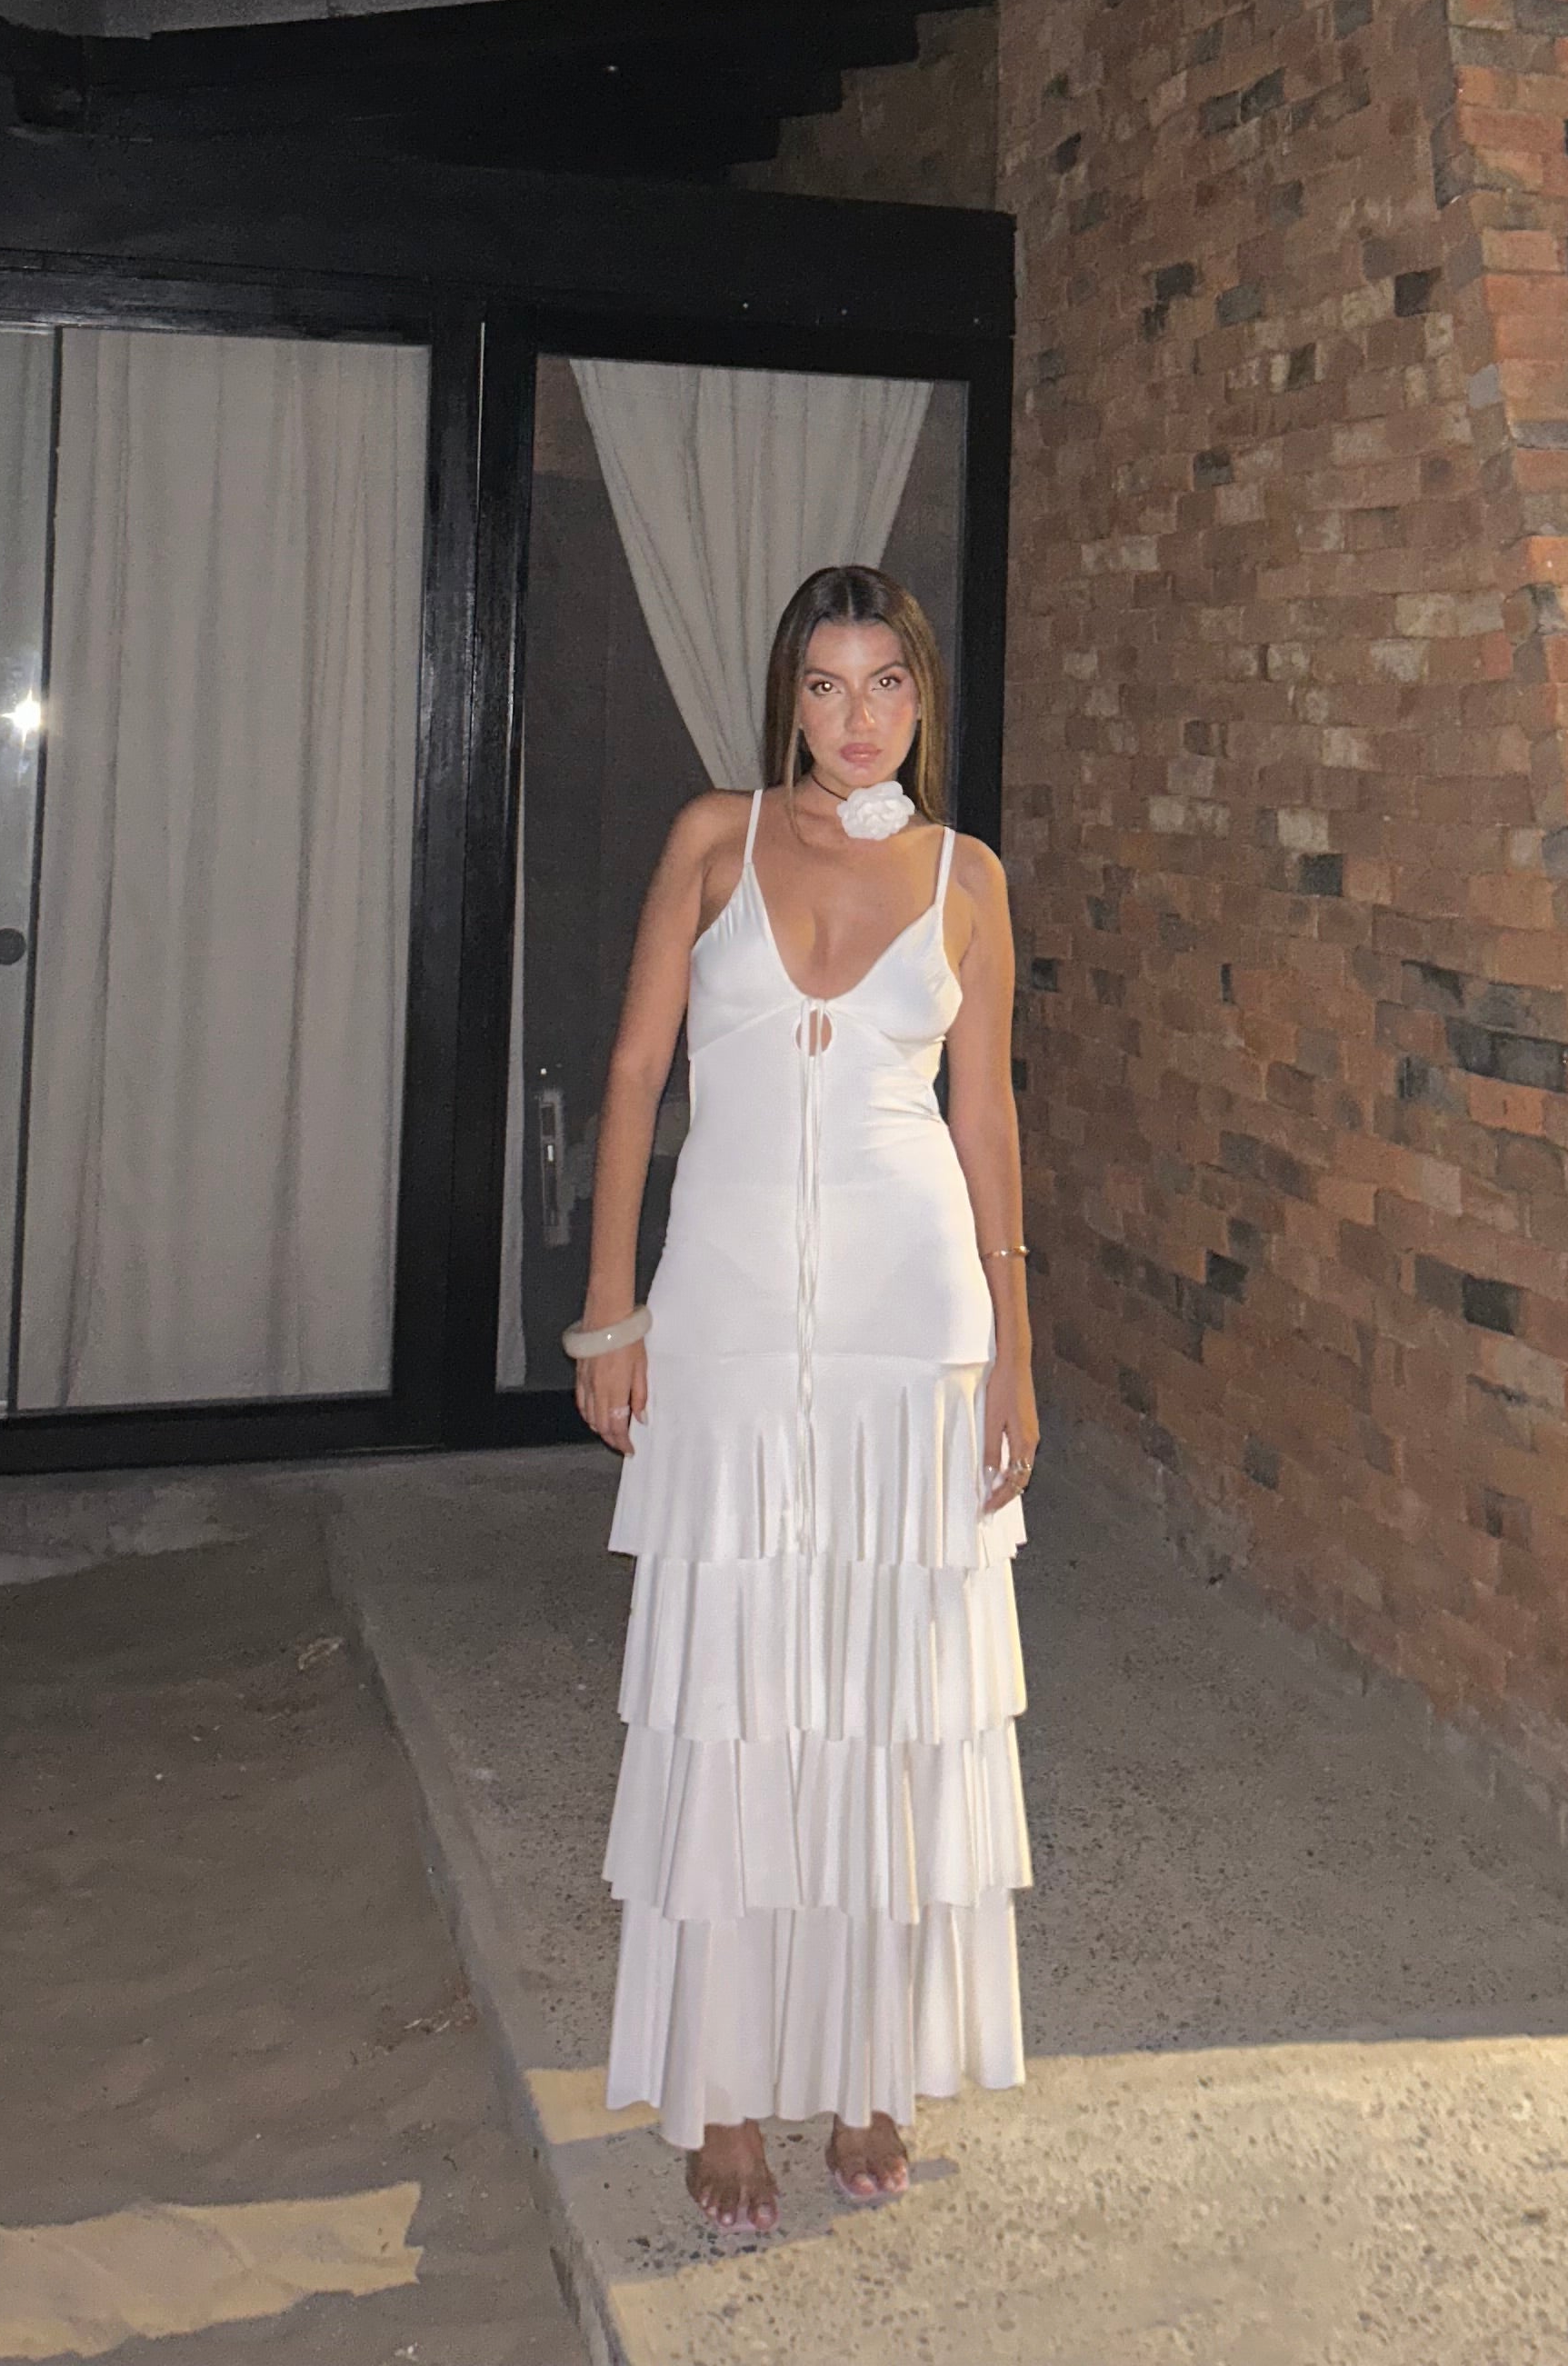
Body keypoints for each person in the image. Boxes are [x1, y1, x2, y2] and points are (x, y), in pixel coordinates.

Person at [566, 563, 1035, 2241]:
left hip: (920, 1326)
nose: (857, 716)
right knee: (737, 1697)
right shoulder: (716, 838)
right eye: (827, 685)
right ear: (789, 698)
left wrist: (1018, 1347)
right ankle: (722, 2089)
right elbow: (638, 1073)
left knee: (892, 1704)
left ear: (923, 696)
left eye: (886, 682)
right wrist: (609, 1312)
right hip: (730, 1321)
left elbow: (987, 1121)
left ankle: (867, 2072)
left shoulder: (967, 876)